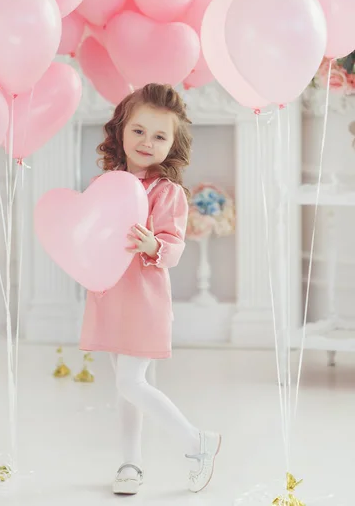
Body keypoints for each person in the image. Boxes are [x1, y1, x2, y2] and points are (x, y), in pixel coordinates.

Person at [79, 83, 221, 495]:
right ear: (121, 130)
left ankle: (198, 443)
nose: (146, 142)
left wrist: (153, 244)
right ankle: (130, 463)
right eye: (139, 130)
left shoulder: (168, 193)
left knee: (131, 382)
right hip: (109, 296)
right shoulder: (105, 183)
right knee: (126, 388)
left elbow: (174, 249)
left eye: (160, 136)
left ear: (173, 145)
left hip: (144, 301)